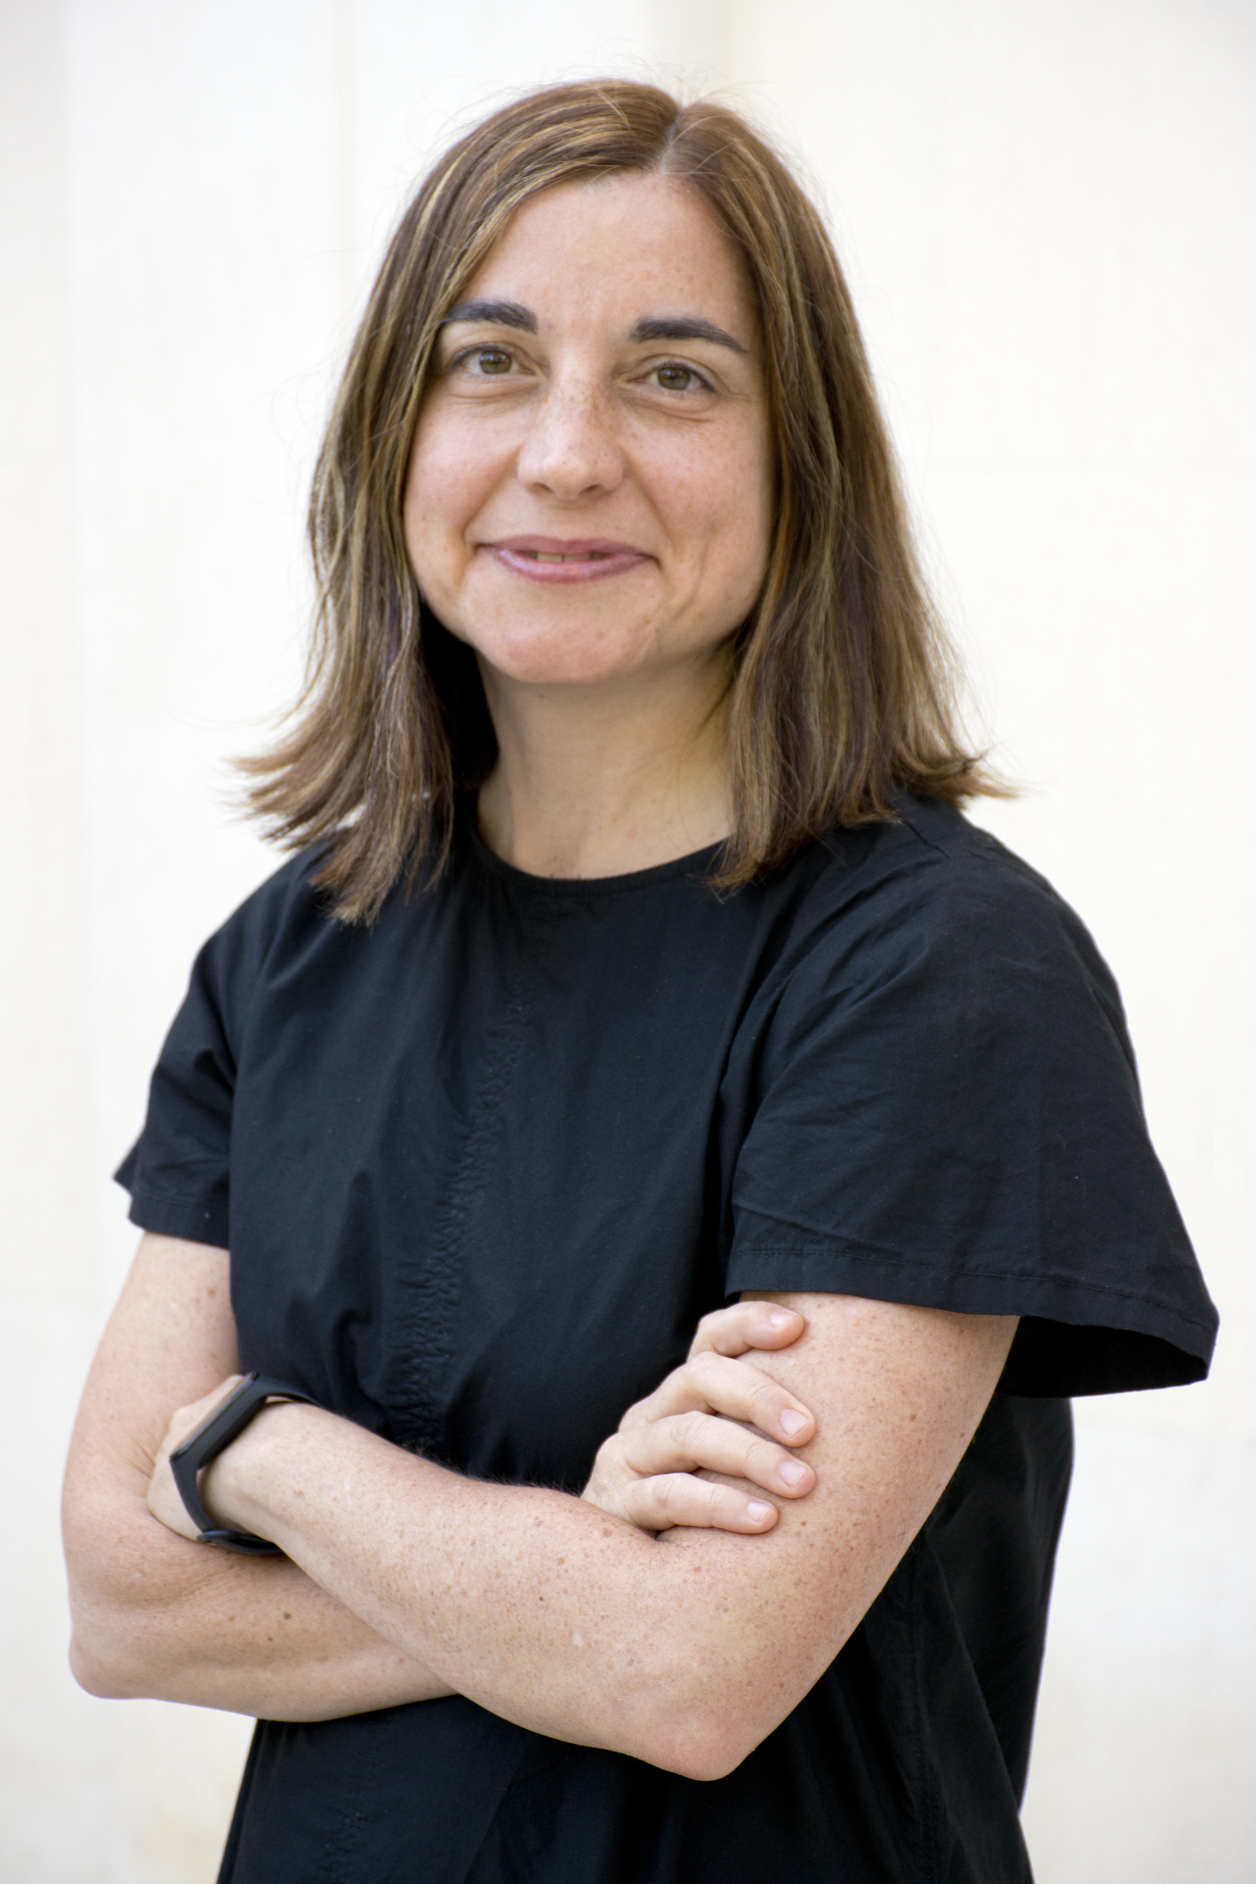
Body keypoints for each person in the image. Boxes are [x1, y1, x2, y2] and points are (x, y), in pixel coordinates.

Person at [62, 80, 1216, 1884]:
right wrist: (575, 1563)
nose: (567, 454)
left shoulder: (935, 967)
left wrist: (258, 1453)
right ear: (392, 435)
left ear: (799, 462)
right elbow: (120, 1604)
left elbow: (689, 1670)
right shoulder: (288, 954)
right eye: (491, 361)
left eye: (674, 375)